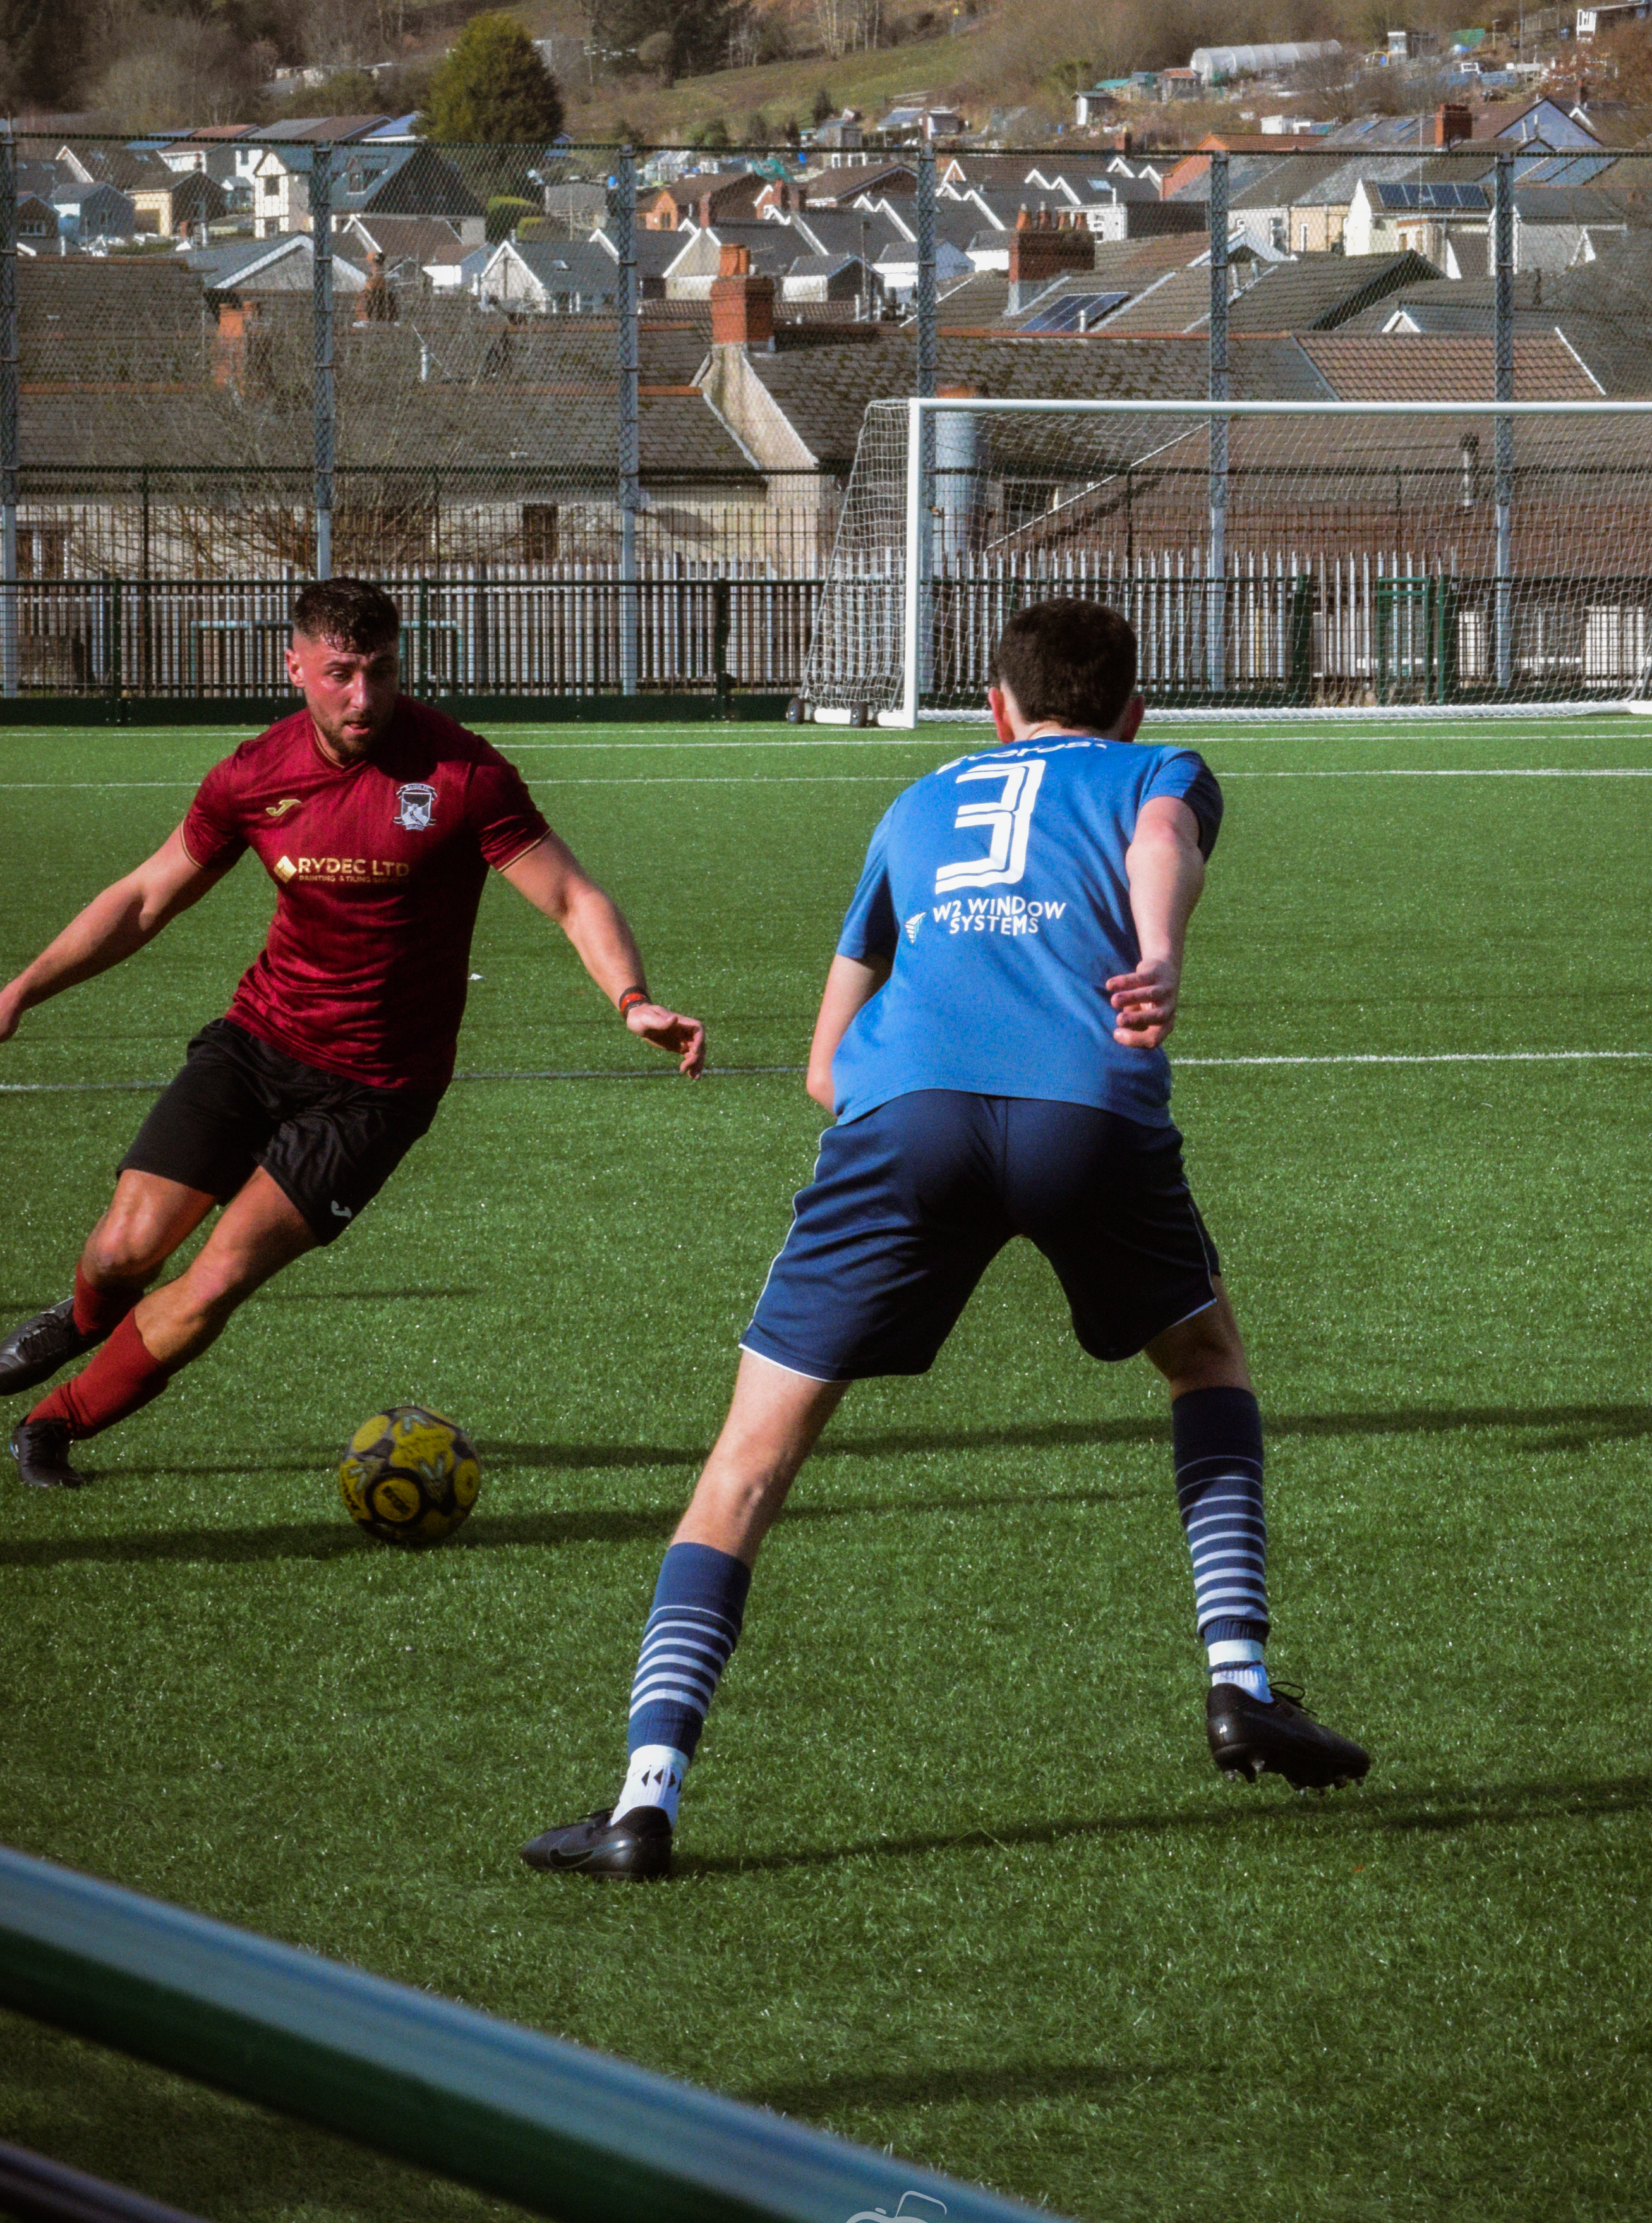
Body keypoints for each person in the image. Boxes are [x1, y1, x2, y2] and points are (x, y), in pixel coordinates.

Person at [524, 596, 1367, 1882]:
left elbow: (821, 1069)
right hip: (1088, 1100)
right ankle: (1239, 1678)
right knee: (1203, 1357)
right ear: (1135, 710)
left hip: (900, 1114)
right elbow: (1158, 837)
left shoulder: (916, 806)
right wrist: (1156, 952)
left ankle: (645, 1800)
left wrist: (922, 1095)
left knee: (749, 1460)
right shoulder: (1160, 768)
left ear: (995, 706)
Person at [1, 578, 704, 1487]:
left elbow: (570, 895)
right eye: (340, 674)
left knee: (216, 1280)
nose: (363, 697)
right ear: (294, 666)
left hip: (376, 1090)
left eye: (380, 671)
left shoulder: (463, 773)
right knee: (121, 1249)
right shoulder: (254, 776)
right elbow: (143, 899)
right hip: (257, 1042)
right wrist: (20, 991)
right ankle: (84, 1320)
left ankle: (51, 1425)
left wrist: (631, 997)